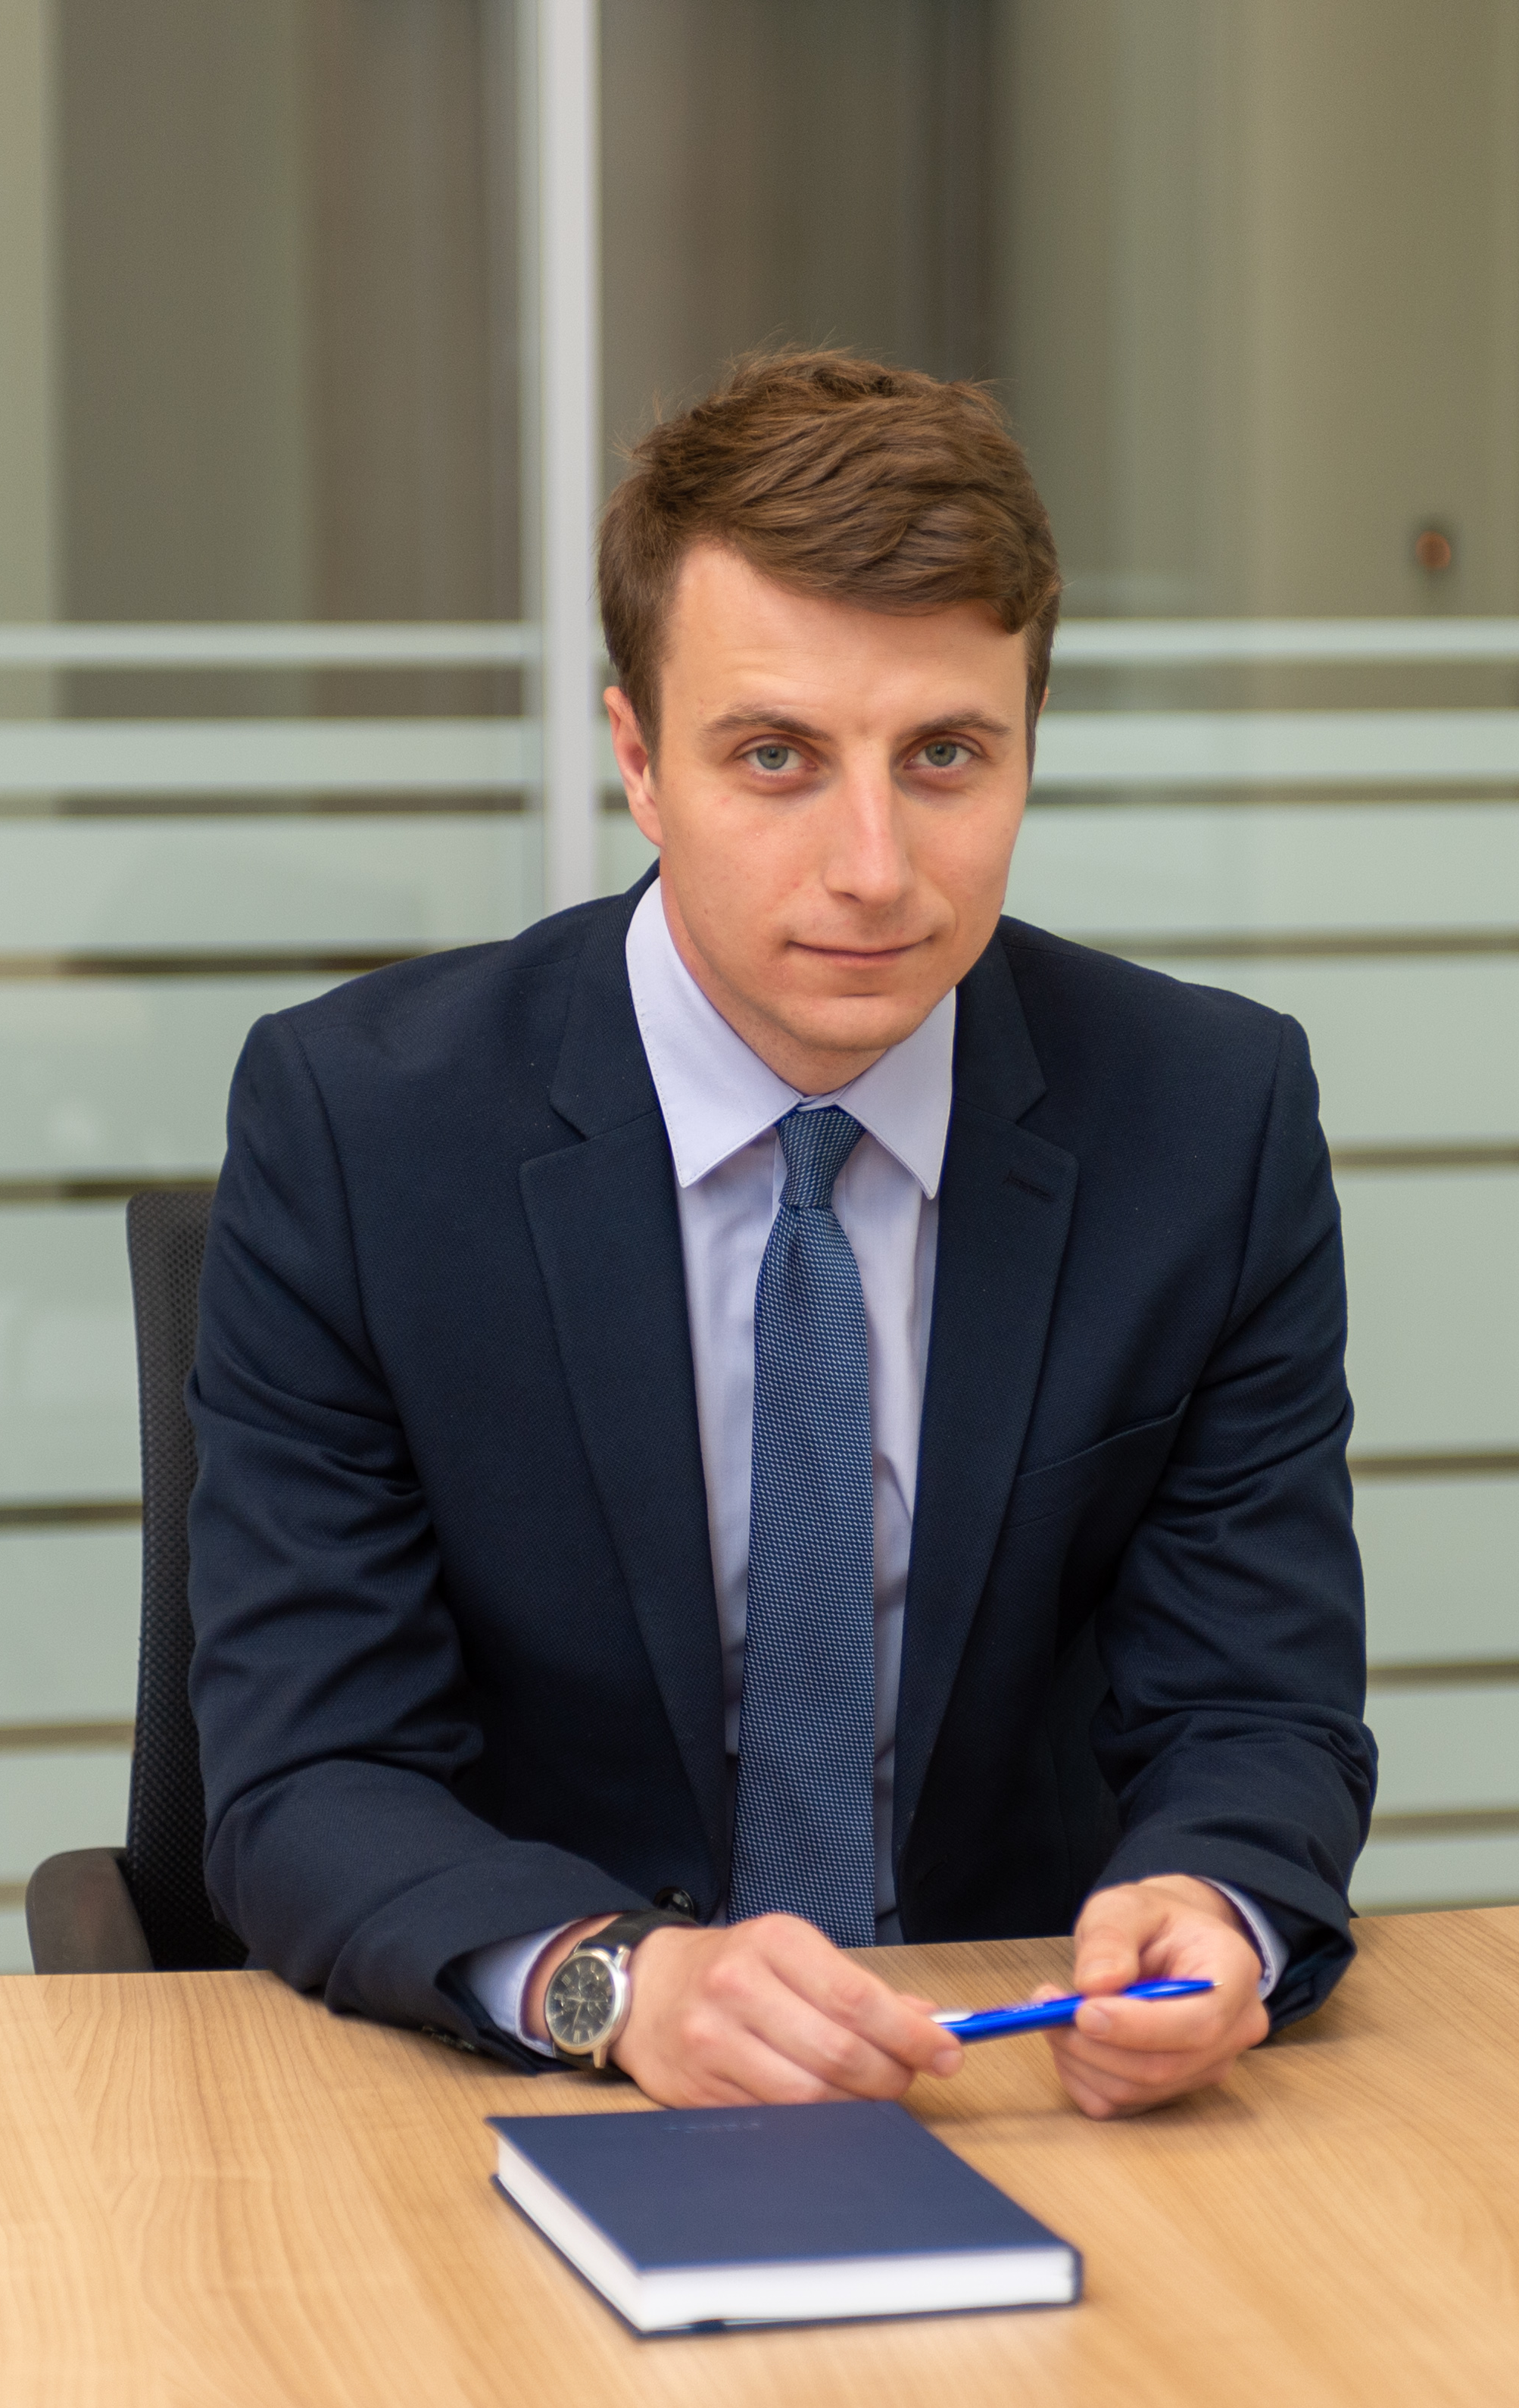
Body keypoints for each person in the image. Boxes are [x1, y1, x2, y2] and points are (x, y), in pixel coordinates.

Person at [188, 350, 1372, 2119]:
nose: (874, 866)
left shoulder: (1207, 1120)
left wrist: (1213, 1907)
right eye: (775, 757)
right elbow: (310, 1771)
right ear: (638, 761)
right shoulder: (364, 1128)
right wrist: (615, 1983)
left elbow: (1259, 1709)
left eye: (946, 756)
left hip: (1009, 2073)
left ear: (1032, 746)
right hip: (526, 2092)